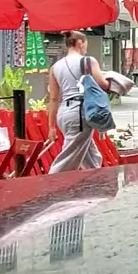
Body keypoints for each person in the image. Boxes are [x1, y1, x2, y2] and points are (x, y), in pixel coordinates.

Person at [46, 31, 110, 173]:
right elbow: (103, 84)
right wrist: (113, 78)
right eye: (86, 44)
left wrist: (51, 126)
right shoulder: (88, 61)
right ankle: (49, 188)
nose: (86, 48)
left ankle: (95, 185)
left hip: (64, 113)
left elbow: (54, 98)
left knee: (91, 156)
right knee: (67, 160)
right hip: (80, 112)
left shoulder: (55, 67)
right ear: (80, 43)